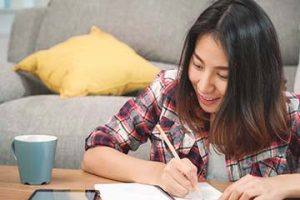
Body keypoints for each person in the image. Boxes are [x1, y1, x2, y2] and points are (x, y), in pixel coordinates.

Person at [82, 0, 300, 199]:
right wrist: (159, 173)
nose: (204, 86)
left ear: (256, 77)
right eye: (197, 65)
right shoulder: (169, 90)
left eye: (223, 75)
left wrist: (281, 184)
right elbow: (94, 155)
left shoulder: (289, 112)